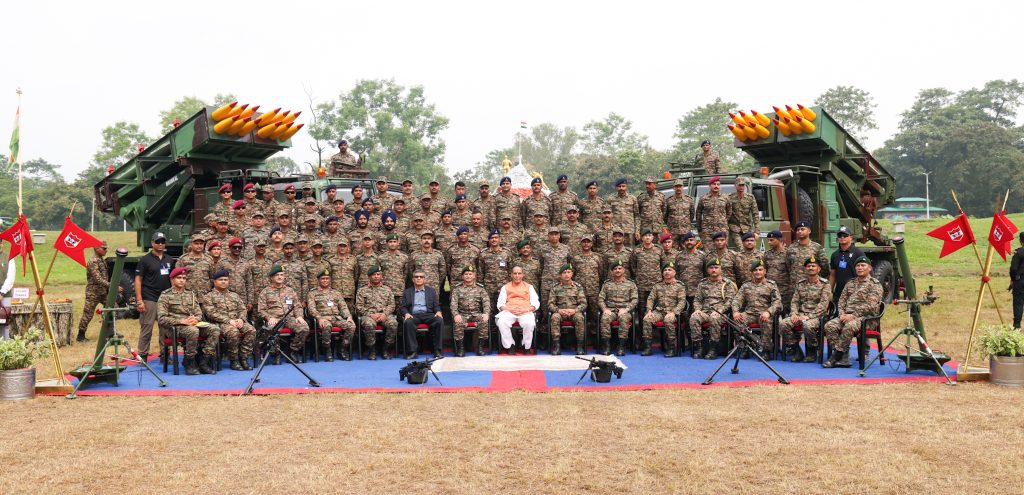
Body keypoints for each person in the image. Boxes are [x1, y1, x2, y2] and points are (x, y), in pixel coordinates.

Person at [822, 256, 883, 368]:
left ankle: (835, 357)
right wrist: (841, 314)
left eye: (863, 265)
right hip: (847, 316)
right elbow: (842, 300)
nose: (860, 268)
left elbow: (871, 305)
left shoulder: (875, 284)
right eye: (857, 266)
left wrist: (853, 315)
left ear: (869, 268)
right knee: (829, 325)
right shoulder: (850, 283)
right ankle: (844, 356)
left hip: (867, 319)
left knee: (849, 326)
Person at [158, 267, 217, 375]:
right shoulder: (165, 295)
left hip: (192, 324)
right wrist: (181, 321)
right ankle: (189, 361)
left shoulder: (190, 294)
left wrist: (196, 319)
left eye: (184, 278)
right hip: (175, 327)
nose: (182, 280)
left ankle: (204, 361)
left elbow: (199, 313)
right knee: (192, 331)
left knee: (214, 329)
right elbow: (161, 318)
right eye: (179, 278)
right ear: (172, 280)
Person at [778, 256, 831, 362]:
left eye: (813, 266)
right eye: (808, 266)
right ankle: (796, 350)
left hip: (816, 316)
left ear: (819, 269)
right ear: (805, 268)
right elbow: (795, 301)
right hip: (800, 314)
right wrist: (794, 313)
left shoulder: (825, 284)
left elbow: (823, 305)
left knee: (808, 325)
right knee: (783, 324)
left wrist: (808, 316)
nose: (811, 268)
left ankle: (812, 350)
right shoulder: (800, 284)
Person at [202, 268, 256, 371]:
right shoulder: (209, 296)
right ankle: (234, 360)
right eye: (221, 279)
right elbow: (210, 313)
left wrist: (241, 319)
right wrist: (228, 321)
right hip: (220, 323)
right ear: (215, 282)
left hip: (237, 321)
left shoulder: (234, 295)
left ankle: (243, 357)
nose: (223, 282)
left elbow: (242, 309)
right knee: (233, 332)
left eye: (225, 280)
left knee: (251, 330)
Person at [257, 264, 309, 364]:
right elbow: (261, 310)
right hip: (275, 318)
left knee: (304, 327)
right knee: (272, 329)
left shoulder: (290, 290)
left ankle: (293, 351)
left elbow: (297, 306)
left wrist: (299, 316)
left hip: (289, 318)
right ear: (271, 277)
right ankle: (276, 353)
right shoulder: (265, 292)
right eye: (277, 275)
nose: (280, 277)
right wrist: (268, 318)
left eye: (282, 274)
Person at [135, 232, 174, 364]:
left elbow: (173, 279)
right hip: (149, 298)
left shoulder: (169, 259)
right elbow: (138, 280)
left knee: (165, 329)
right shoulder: (145, 260)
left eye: (162, 241)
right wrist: (139, 300)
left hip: (165, 299)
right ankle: (143, 356)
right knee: (147, 328)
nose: (160, 244)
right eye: (158, 241)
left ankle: (164, 355)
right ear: (152, 243)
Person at [688, 258, 738, 359]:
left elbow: (730, 301)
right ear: (707, 270)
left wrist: (720, 311)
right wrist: (697, 309)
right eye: (711, 268)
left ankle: (713, 348)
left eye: (716, 267)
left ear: (720, 269)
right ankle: (699, 347)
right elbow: (697, 299)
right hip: (705, 312)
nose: (714, 270)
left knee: (714, 318)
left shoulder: (727, 284)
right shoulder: (702, 283)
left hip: (721, 313)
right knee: (694, 317)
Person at [731, 259, 782, 358]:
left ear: (765, 271)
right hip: (749, 313)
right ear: (752, 272)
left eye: (760, 270)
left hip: (764, 314)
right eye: (755, 270)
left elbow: (777, 302)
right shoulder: (746, 285)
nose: (758, 272)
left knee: (766, 321)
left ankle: (765, 350)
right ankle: (744, 347)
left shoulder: (771, 285)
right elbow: (737, 300)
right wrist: (736, 311)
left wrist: (768, 312)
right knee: (737, 321)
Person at [307, 269, 356, 361]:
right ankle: (327, 350)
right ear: (318, 280)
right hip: (323, 318)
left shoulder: (336, 293)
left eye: (327, 278)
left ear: (330, 280)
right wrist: (319, 318)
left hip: (336, 318)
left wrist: (348, 317)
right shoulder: (312, 293)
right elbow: (311, 309)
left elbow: (343, 307)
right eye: (323, 279)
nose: (325, 280)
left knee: (351, 326)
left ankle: (342, 348)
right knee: (327, 326)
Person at [643, 261, 687, 357]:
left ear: (674, 273)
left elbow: (682, 302)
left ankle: (671, 347)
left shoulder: (680, 286)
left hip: (673, 313)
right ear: (662, 273)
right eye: (665, 270)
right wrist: (649, 310)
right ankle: (648, 347)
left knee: (668, 319)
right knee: (647, 319)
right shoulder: (657, 285)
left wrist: (674, 312)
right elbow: (651, 298)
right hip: (659, 311)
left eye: (670, 270)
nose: (667, 272)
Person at [356, 265, 398, 360]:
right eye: (374, 274)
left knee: (393, 323)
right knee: (369, 324)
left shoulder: (387, 289)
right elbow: (358, 307)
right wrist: (370, 314)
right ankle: (372, 350)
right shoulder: (362, 290)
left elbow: (392, 305)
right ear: (369, 277)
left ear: (381, 276)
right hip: (369, 316)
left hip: (384, 315)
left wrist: (385, 314)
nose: (376, 276)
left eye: (378, 274)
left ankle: (385, 349)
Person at [495, 266, 540, 354]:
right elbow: (500, 304)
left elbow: (536, 303)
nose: (517, 275)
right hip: (509, 311)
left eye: (519, 273)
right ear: (511, 275)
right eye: (515, 273)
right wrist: (509, 309)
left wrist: (526, 309)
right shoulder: (505, 287)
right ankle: (510, 345)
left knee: (529, 323)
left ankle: (526, 346)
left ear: (522, 275)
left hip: (524, 311)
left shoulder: (529, 287)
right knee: (502, 322)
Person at [598, 260, 638, 356]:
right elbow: (600, 299)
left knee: (624, 319)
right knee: (604, 318)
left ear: (624, 270)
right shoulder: (607, 284)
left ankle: (621, 347)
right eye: (615, 269)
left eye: (619, 268)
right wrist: (604, 309)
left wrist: (627, 309)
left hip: (624, 310)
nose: (617, 270)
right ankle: (607, 346)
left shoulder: (630, 284)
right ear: (612, 271)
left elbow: (635, 300)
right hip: (610, 310)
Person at [401, 270, 445, 359]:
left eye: (421, 277)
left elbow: (436, 305)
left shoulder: (431, 291)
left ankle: (438, 351)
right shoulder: (407, 292)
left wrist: (438, 311)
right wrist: (406, 313)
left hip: (428, 314)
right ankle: (412, 351)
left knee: (439, 320)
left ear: (424, 279)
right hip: (414, 315)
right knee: (408, 322)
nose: (418, 278)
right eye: (416, 277)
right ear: (413, 279)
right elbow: (403, 307)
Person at [77, 241, 113, 342]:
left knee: (112, 308)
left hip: (103, 292)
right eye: (104, 248)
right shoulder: (93, 261)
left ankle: (110, 332)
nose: (106, 250)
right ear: (96, 248)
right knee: (88, 314)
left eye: (106, 248)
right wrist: (112, 286)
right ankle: (80, 335)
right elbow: (98, 279)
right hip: (93, 292)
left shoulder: (101, 260)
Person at [450, 265, 490, 356]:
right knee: (458, 322)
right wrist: (456, 314)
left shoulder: (481, 289)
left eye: (470, 274)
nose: (468, 276)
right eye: (466, 274)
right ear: (462, 276)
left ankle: (480, 348)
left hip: (476, 314)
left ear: (474, 276)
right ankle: (460, 348)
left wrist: (486, 313)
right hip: (462, 314)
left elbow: (486, 302)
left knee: (484, 320)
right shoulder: (457, 289)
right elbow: (453, 304)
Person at [547, 263, 587, 356]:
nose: (566, 274)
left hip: (574, 312)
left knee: (580, 318)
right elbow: (550, 304)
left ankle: (579, 346)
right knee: (554, 317)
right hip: (560, 312)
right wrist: (558, 310)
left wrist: (575, 310)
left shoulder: (578, 287)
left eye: (568, 272)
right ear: (560, 275)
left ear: (572, 274)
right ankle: (556, 346)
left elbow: (583, 303)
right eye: (564, 272)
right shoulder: (555, 288)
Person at [829, 226, 865, 303]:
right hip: (839, 293)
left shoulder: (858, 253)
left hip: (854, 292)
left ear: (851, 237)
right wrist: (829, 291)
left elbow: (866, 273)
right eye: (840, 236)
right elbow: (833, 275)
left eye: (845, 235)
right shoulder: (834, 255)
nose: (842, 237)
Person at [695, 176, 731, 245]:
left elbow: (729, 211)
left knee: (722, 252)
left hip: (722, 229)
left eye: (718, 184)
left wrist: (723, 221)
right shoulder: (703, 198)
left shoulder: (725, 198)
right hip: (707, 231)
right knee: (708, 252)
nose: (716, 186)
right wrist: (699, 229)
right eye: (714, 184)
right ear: (710, 185)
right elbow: (698, 214)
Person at [727, 177, 759, 247]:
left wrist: (757, 232)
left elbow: (755, 214)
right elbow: (725, 213)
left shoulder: (750, 197)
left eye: (743, 185)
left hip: (747, 228)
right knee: (741, 247)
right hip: (734, 228)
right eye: (739, 185)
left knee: (749, 247)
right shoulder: (730, 197)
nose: (741, 187)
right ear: (735, 186)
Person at [606, 178, 639, 245]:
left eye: (623, 186)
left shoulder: (632, 199)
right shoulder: (611, 199)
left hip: (629, 231)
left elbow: (637, 216)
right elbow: (606, 216)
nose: (621, 188)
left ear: (626, 187)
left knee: (630, 251)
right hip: (615, 230)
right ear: (616, 187)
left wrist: (637, 230)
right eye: (619, 186)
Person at [1011, 232, 1024, 329]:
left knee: (1018, 303)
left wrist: (1012, 280)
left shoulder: (1018, 253)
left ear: (1020, 241)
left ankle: (1017, 326)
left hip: (1020, 281)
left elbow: (1014, 269)